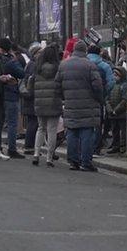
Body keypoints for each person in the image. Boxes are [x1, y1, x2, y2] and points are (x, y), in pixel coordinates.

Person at [54, 41, 104, 172]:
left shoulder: (64, 65)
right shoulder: (90, 65)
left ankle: (73, 161)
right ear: (85, 51)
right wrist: (99, 99)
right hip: (88, 104)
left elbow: (57, 85)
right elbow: (97, 86)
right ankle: (86, 162)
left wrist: (64, 98)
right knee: (87, 134)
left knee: (72, 133)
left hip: (70, 104)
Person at [32, 45, 62, 167]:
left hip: (40, 103)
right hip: (54, 102)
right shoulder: (57, 69)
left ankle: (36, 154)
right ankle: (49, 158)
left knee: (41, 129)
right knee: (52, 131)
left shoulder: (38, 69)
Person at [0, 38, 26, 159]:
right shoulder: (11, 61)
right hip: (11, 94)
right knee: (12, 123)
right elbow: (22, 73)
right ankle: (12, 148)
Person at [87, 44, 114, 154]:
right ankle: (95, 147)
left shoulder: (83, 64)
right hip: (99, 98)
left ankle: (84, 147)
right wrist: (104, 93)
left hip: (83, 97)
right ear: (99, 53)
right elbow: (111, 82)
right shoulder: (104, 66)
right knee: (97, 123)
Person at [21, 43, 42, 156]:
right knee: (33, 122)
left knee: (32, 122)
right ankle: (29, 146)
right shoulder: (34, 65)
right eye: (39, 52)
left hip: (29, 97)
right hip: (32, 97)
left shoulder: (30, 64)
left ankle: (29, 146)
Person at [106, 66, 127, 154]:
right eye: (114, 74)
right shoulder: (112, 85)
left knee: (123, 130)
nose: (115, 76)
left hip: (121, 113)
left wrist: (116, 110)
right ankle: (115, 145)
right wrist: (110, 109)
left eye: (116, 75)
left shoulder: (124, 85)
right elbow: (107, 98)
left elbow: (124, 100)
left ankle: (123, 145)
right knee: (114, 130)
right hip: (112, 112)